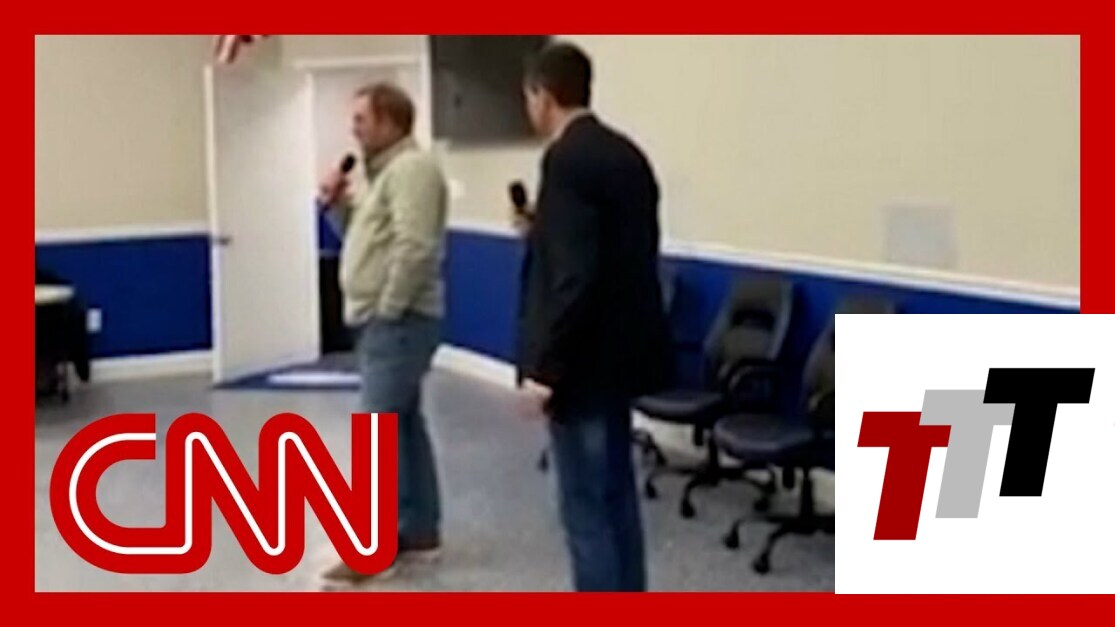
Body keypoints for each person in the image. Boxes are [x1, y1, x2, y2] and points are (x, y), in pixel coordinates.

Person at [515, 42, 673, 592]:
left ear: (543, 95)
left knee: (585, 507)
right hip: (622, 355)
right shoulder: (627, 155)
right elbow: (616, 254)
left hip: (582, 365)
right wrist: (542, 229)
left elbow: (576, 278)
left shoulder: (564, 160)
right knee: (616, 498)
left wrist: (546, 369)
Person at [318, 82, 448, 585]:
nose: (354, 130)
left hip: (399, 321)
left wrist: (389, 308)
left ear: (391, 122)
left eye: (362, 120)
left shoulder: (412, 170)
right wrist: (336, 205)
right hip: (386, 319)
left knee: (374, 430)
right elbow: (365, 240)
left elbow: (416, 247)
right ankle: (419, 531)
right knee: (403, 424)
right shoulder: (382, 175)